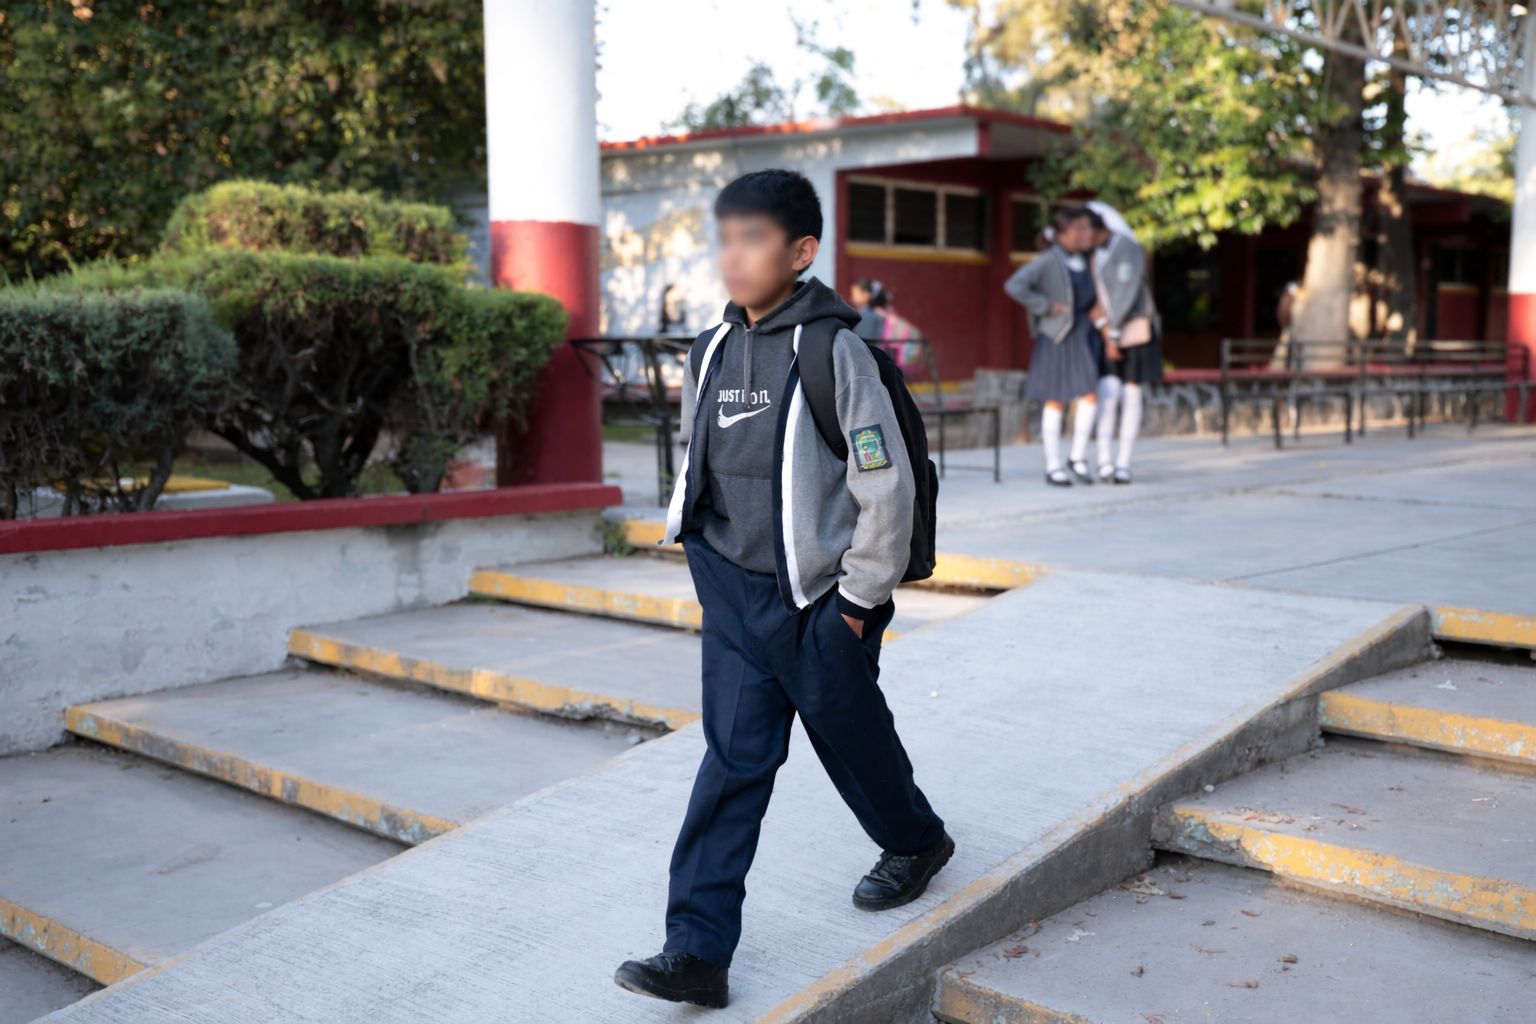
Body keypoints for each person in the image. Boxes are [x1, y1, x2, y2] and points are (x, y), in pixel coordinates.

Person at [614, 169, 953, 1010]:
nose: (734, 256)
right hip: (733, 593)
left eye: (755, 239)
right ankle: (696, 950)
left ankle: (916, 841)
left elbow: (885, 483)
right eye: (726, 238)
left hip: (821, 600)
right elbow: (700, 459)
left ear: (801, 252)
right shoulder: (709, 350)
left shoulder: (835, 353)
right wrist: (700, 552)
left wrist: (857, 603)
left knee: (851, 736)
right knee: (733, 762)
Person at [1003, 206, 1103, 486]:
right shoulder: (1049, 260)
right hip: (1057, 336)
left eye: (1087, 228)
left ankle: (1077, 457)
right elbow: (1014, 285)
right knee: (1055, 398)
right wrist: (1045, 306)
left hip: (1083, 335)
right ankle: (1053, 464)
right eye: (1079, 229)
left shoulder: (1089, 259)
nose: (1085, 233)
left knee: (1089, 395)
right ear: (1061, 234)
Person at [1085, 204, 1161, 484]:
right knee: (1108, 392)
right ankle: (1104, 460)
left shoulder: (1127, 247)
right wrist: (1105, 329)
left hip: (1131, 332)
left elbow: (1126, 292)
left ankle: (1123, 463)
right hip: (1107, 331)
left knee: (1131, 395)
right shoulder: (1093, 252)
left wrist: (1113, 334)